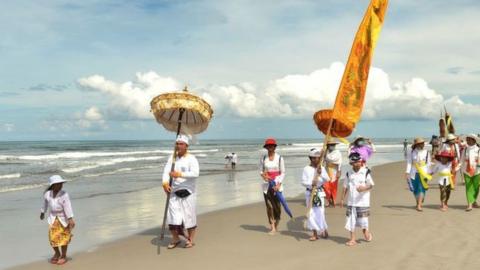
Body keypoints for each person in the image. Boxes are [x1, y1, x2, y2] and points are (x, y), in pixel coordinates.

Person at [162, 134, 200, 249]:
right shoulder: (172, 158)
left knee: (189, 217)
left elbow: (195, 173)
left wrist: (180, 174)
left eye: (181, 144)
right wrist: (164, 183)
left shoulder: (191, 158)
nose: (178, 146)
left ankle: (190, 239)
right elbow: (166, 171)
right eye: (177, 144)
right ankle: (176, 238)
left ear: (186, 146)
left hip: (188, 192)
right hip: (173, 191)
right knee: (173, 217)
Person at [40, 175, 75, 265]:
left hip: (63, 218)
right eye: (58, 184)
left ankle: (63, 256)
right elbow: (45, 204)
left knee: (64, 238)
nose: (60, 186)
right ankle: (57, 252)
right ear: (52, 185)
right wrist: (42, 212)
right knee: (52, 238)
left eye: (61, 184)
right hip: (53, 218)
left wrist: (70, 218)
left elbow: (68, 206)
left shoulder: (64, 194)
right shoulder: (47, 194)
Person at [341, 152, 374, 246]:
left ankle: (366, 232)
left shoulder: (365, 172)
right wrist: (342, 199)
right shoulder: (348, 174)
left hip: (363, 202)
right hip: (351, 202)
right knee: (351, 220)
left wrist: (364, 188)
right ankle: (352, 239)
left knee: (363, 221)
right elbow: (345, 187)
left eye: (359, 161)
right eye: (355, 162)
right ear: (351, 163)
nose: (358, 163)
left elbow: (371, 185)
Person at [301, 148, 330, 241]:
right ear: (311, 158)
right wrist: (311, 183)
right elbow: (303, 182)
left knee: (320, 212)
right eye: (314, 158)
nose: (316, 160)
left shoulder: (321, 168)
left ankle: (323, 229)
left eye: (318, 158)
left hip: (319, 192)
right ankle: (314, 233)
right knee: (311, 213)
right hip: (310, 193)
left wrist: (321, 174)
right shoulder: (306, 169)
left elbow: (327, 179)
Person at [259, 137, 285, 235]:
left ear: (274, 147)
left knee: (277, 207)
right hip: (267, 186)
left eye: (272, 146)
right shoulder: (263, 158)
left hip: (277, 186)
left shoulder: (280, 158)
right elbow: (261, 171)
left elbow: (283, 173)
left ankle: (277, 222)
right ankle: (272, 226)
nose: (270, 147)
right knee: (269, 206)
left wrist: (278, 184)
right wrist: (264, 176)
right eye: (268, 146)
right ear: (266, 147)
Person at [405, 137, 431, 211]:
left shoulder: (426, 152)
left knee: (421, 189)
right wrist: (407, 172)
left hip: (424, 173)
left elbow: (428, 164)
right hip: (414, 172)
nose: (423, 145)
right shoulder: (412, 152)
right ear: (417, 144)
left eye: (423, 143)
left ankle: (419, 205)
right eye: (421, 143)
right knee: (415, 189)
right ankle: (418, 202)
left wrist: (429, 174)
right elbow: (409, 162)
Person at [460, 134, 480, 211]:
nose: (467, 141)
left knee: (476, 188)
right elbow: (461, 161)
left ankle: (474, 201)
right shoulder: (465, 150)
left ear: (474, 140)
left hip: (477, 171)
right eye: (467, 140)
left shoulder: (478, 150)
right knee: (469, 188)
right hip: (467, 171)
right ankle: (470, 204)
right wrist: (456, 168)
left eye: (469, 140)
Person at [323, 139, 342, 207]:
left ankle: (333, 199)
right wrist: (324, 153)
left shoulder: (337, 152)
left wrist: (339, 171)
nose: (332, 146)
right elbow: (323, 160)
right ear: (328, 146)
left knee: (333, 186)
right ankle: (328, 199)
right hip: (327, 170)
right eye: (331, 145)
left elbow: (339, 162)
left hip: (334, 170)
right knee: (325, 185)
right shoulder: (326, 152)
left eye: (333, 145)